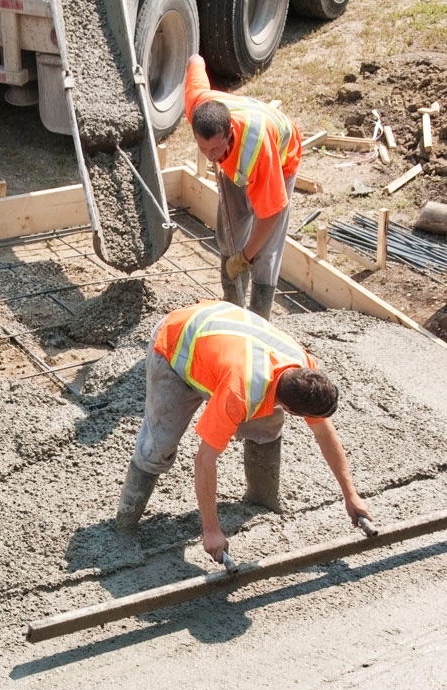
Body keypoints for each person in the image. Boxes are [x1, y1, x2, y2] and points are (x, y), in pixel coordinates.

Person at [115, 299, 371, 564]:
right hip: (175, 346)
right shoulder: (239, 393)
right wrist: (211, 530)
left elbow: (325, 434)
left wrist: (350, 495)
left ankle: (262, 499)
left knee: (268, 424)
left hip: (220, 341)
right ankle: (124, 526)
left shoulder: (303, 369)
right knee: (158, 446)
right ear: (294, 410)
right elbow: (204, 460)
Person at [185, 54, 303, 321]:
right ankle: (234, 308)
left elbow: (270, 213)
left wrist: (246, 256)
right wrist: (195, 58)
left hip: (280, 158)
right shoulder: (198, 107)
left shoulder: (257, 152)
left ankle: (260, 320)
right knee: (228, 235)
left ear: (229, 133)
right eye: (203, 148)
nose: (208, 155)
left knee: (264, 252)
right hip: (237, 160)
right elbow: (195, 70)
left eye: (214, 148)